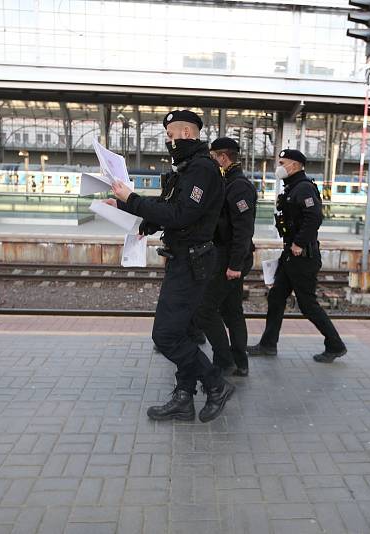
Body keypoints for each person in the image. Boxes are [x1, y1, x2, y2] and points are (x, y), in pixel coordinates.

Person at [108, 110, 234, 423]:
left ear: (187, 134)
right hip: (185, 258)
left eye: (170, 135)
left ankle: (216, 384)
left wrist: (133, 198)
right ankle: (183, 397)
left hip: (193, 262)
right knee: (182, 333)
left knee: (165, 336)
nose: (168, 141)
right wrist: (129, 209)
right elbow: (168, 207)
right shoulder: (188, 168)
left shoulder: (202, 169)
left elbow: (181, 215)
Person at [247, 149, 347, 364]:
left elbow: (314, 217)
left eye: (282, 162)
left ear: (294, 165)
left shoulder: (303, 188)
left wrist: (299, 243)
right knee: (276, 297)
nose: (279, 166)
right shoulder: (293, 187)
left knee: (308, 304)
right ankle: (268, 344)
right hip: (291, 254)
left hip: (302, 256)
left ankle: (336, 345)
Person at [194, 137, 257, 378]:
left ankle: (224, 360)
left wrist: (234, 265)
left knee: (205, 309)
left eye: (213, 157)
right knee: (232, 311)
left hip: (230, 258)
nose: (211, 162)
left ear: (223, 157)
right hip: (227, 256)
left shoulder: (238, 185)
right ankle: (240, 363)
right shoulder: (227, 181)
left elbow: (243, 229)